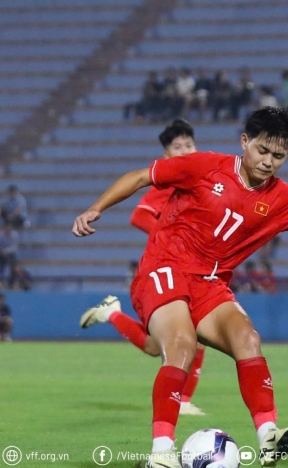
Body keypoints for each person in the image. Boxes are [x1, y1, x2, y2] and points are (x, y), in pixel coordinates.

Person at [73, 107, 288, 468]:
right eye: (262, 151)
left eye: (279, 156)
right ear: (245, 142)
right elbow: (140, 177)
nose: (268, 162)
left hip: (210, 283)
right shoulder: (203, 166)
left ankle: (269, 438)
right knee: (180, 346)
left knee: (248, 338)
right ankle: (161, 454)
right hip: (164, 267)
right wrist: (95, 208)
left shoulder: (282, 198)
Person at [126, 118, 208, 416]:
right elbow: (140, 216)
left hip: (189, 267)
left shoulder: (199, 178)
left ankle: (181, 401)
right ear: (166, 156)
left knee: (185, 341)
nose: (185, 150)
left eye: (189, 144)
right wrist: (171, 235)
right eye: (178, 146)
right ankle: (179, 404)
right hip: (167, 269)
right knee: (181, 341)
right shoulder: (171, 180)